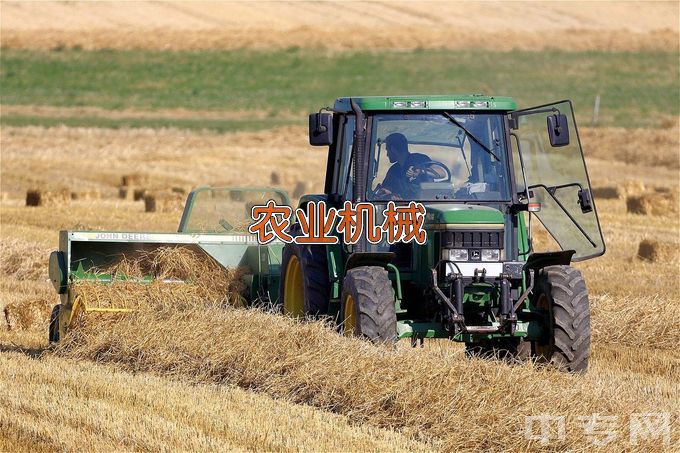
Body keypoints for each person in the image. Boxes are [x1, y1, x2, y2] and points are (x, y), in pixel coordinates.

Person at [374, 133, 432, 200]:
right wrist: (386, 193)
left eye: (387, 150)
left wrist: (420, 171)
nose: (387, 155)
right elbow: (386, 189)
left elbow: (441, 172)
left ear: (393, 149)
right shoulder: (393, 170)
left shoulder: (420, 159)